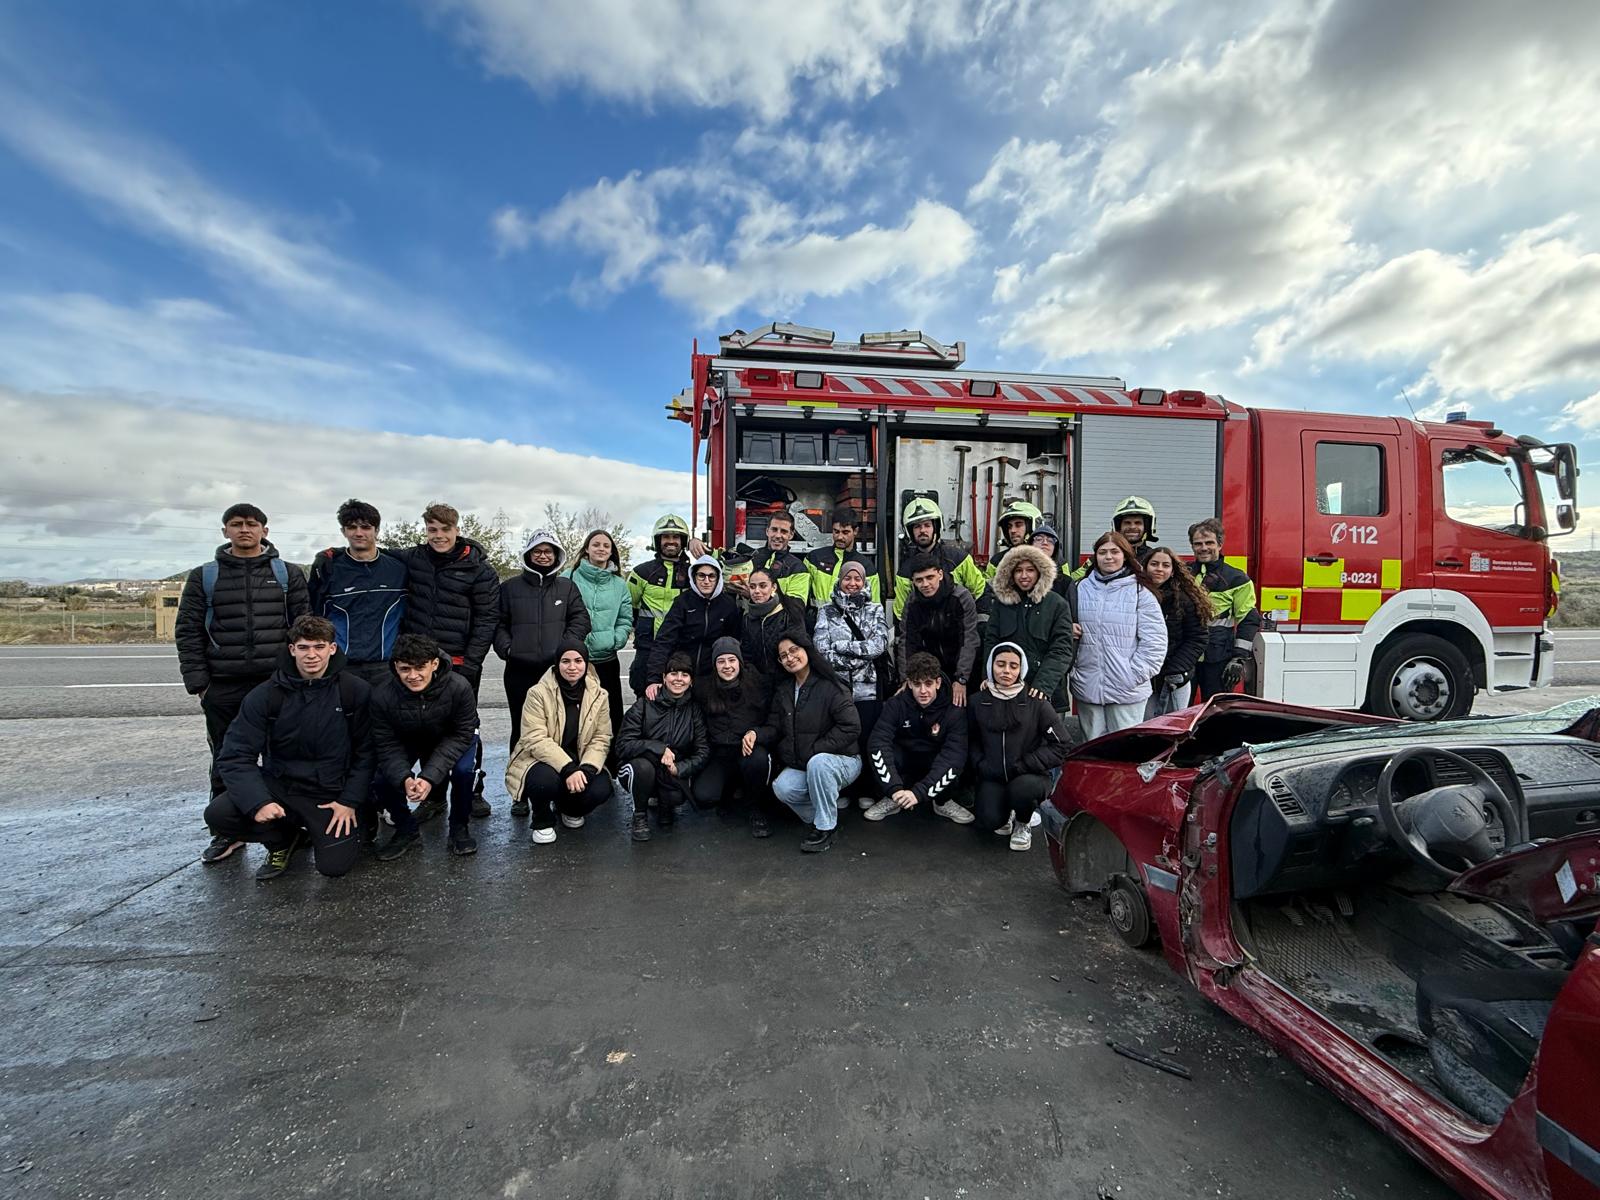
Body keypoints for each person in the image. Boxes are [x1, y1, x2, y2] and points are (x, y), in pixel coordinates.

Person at [176, 502, 310, 863]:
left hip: (277, 684)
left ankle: (287, 827)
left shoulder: (288, 574)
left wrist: (299, 679)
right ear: (225, 531)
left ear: (265, 530)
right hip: (224, 685)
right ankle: (228, 832)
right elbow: (188, 631)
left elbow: (304, 628)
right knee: (227, 758)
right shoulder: (205, 576)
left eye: (252, 524)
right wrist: (200, 684)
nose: (245, 530)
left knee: (285, 757)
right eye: (236, 524)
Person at [203, 616, 372, 881]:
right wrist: (258, 801)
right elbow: (236, 755)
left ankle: (347, 826)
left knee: (334, 867)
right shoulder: (266, 695)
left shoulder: (354, 691)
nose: (311, 655)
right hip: (280, 786)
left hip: (330, 792)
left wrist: (349, 801)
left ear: (332, 648)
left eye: (319, 646)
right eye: (303, 647)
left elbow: (368, 753)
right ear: (292, 649)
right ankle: (282, 840)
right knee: (219, 814)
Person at [398, 502, 500, 819]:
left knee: (466, 728)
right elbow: (372, 552)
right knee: (425, 729)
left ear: (457, 529)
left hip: (459, 663)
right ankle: (435, 796)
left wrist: (471, 663)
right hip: (419, 664)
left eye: (445, 529)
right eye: (432, 529)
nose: (439, 535)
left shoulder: (479, 570)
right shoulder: (412, 559)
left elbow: (487, 619)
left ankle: (473, 790)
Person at [369, 633, 481, 859]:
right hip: (408, 737)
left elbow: (462, 734)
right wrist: (405, 778)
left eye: (420, 667)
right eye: (405, 669)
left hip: (454, 737)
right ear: (396, 666)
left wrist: (428, 777)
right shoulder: (382, 694)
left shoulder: (459, 687)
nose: (413, 676)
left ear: (434, 664)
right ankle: (405, 828)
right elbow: (386, 743)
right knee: (381, 778)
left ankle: (459, 826)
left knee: (463, 772)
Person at [757, 632, 862, 854]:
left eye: (794, 650)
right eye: (783, 655)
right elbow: (774, 727)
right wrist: (754, 734)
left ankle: (826, 827)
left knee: (819, 763)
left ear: (807, 650)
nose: (790, 657)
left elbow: (851, 727)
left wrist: (815, 750)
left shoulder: (831, 686)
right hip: (807, 762)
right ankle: (822, 815)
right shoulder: (784, 690)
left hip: (844, 760)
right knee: (783, 787)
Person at [495, 529, 591, 768]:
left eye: (548, 551)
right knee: (521, 726)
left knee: (560, 725)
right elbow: (498, 624)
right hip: (519, 671)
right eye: (537, 551)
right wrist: (508, 649)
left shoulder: (566, 587)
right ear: (528, 554)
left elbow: (580, 620)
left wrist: (564, 651)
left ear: (556, 555)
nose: (543, 556)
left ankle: (560, 776)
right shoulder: (509, 588)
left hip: (556, 671)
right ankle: (519, 781)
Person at [504, 640, 615, 845]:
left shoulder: (600, 695)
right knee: (544, 782)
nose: (572, 667)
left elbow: (601, 737)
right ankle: (542, 818)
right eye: (566, 661)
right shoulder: (538, 693)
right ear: (557, 663)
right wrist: (568, 768)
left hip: (580, 757)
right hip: (541, 759)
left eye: (578, 661)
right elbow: (534, 738)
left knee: (601, 788)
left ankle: (569, 809)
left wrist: (587, 768)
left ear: (586, 663)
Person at [969, 642, 1071, 851]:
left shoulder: (1036, 702)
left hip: (1029, 776)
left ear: (1021, 669)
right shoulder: (977, 701)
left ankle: (1023, 822)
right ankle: (1006, 813)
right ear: (991, 666)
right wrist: (981, 764)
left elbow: (1062, 745)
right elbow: (969, 739)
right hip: (993, 775)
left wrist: (1026, 763)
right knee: (989, 820)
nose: (1006, 671)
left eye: (1013, 666)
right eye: (1000, 664)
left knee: (1022, 790)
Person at [1069, 531, 1168, 740]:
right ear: (1095, 557)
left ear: (1125, 555)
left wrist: (1132, 676)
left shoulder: (1140, 592)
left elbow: (1155, 643)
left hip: (1127, 690)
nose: (1108, 557)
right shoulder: (1080, 589)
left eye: (1115, 551)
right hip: (1088, 686)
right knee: (1091, 749)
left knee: (1125, 750)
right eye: (1102, 552)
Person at [306, 498, 408, 690]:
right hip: (341, 666)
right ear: (343, 531)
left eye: (366, 527)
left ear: (377, 530)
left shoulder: (398, 569)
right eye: (352, 527)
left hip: (386, 667)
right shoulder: (328, 568)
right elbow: (314, 615)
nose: (359, 533)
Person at [863, 651, 972, 825]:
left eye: (928, 684)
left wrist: (919, 793)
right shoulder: (896, 704)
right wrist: (893, 788)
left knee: (952, 762)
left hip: (934, 763)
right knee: (887, 751)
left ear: (937, 683)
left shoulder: (954, 710)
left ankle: (943, 802)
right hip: (904, 764)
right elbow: (878, 742)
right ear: (909, 684)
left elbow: (954, 756)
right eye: (917, 684)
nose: (923, 691)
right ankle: (893, 798)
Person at [813, 559, 891, 786]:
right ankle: (843, 788)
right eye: (847, 578)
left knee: (868, 738)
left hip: (868, 690)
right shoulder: (826, 611)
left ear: (864, 582)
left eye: (858, 579)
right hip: (837, 690)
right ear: (840, 580)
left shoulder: (875, 609)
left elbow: (879, 645)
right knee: (840, 740)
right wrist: (858, 658)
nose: (852, 583)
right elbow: (821, 650)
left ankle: (867, 788)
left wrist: (842, 646)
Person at [691, 637, 779, 837]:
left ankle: (755, 806)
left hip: (748, 751)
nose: (727, 666)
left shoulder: (758, 684)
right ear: (714, 665)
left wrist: (756, 733)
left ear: (740, 661)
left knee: (757, 761)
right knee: (704, 796)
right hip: (720, 753)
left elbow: (774, 725)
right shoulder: (703, 688)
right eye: (721, 661)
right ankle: (729, 790)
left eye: (732, 660)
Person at [617, 652, 710, 841]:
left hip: (670, 772)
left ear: (691, 681)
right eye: (673, 673)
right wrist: (658, 748)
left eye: (685, 675)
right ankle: (640, 814)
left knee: (676, 797)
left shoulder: (694, 710)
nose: (679, 679)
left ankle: (664, 804)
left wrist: (679, 768)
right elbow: (622, 745)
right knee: (643, 769)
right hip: (638, 769)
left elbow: (703, 751)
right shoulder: (644, 704)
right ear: (664, 677)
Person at [982, 543, 1077, 710]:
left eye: (1030, 570)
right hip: (1006, 690)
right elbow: (991, 642)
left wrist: (1043, 685)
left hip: (1046, 694)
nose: (1024, 576)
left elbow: (1062, 649)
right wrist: (988, 675)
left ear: (1040, 572)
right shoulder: (1002, 604)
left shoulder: (1057, 604)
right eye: (1018, 570)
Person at [565, 529, 633, 738]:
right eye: (596, 544)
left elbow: (625, 618)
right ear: (587, 548)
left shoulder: (619, 584)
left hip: (606, 659)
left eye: (606, 545)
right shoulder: (568, 577)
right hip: (575, 660)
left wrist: (616, 640)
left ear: (611, 552)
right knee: (574, 716)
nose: (601, 549)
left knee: (611, 715)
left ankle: (613, 756)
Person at [1188, 518, 1262, 700]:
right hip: (1185, 655)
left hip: (1218, 657)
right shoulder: (1183, 573)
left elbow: (1248, 619)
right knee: (1177, 711)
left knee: (1216, 708)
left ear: (1220, 544)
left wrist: (1238, 658)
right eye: (1198, 544)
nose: (1203, 548)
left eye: (1209, 543)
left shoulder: (1237, 579)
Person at [646, 555, 740, 695]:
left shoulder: (728, 605)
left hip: (713, 675)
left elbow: (735, 642)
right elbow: (664, 640)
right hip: (684, 672)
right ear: (694, 577)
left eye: (711, 576)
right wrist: (654, 678)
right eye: (701, 576)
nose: (706, 581)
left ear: (718, 578)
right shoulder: (682, 602)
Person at [627, 513, 694, 697]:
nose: (671, 541)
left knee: (683, 697)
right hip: (648, 646)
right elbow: (629, 607)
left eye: (676, 537)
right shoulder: (641, 572)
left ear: (683, 541)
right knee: (645, 694)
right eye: (666, 537)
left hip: (681, 647)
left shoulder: (692, 574)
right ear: (657, 540)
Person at [898, 553, 979, 703]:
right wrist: (906, 678)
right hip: (928, 671)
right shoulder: (912, 603)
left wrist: (961, 679)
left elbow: (969, 639)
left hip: (961, 666)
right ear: (913, 581)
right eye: (919, 580)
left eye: (930, 577)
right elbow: (907, 642)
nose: (925, 584)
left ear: (940, 574)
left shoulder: (961, 597)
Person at [1144, 547, 1212, 718]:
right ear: (1145, 567)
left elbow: (1198, 638)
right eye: (1154, 564)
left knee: (1173, 725)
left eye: (1165, 565)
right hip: (1144, 678)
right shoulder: (1135, 595)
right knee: (1145, 724)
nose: (1159, 569)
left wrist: (1176, 669)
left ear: (1173, 571)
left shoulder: (1184, 600)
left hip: (1175, 678)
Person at [892, 496, 986, 618]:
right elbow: (901, 615)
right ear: (909, 531)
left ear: (936, 527)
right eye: (917, 526)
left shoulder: (959, 559)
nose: (922, 530)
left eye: (927, 525)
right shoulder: (905, 572)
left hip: (959, 626)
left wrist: (981, 623)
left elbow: (981, 592)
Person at [739, 566, 807, 680]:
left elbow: (799, 652)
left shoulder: (788, 614)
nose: (756, 591)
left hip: (788, 679)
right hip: (759, 681)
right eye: (752, 587)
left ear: (774, 587)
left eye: (763, 586)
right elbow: (746, 655)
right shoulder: (747, 619)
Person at [1069, 496, 1161, 579]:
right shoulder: (1101, 556)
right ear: (1118, 527)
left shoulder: (1153, 558)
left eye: (1138, 523)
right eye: (1127, 523)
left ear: (1147, 527)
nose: (1132, 527)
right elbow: (1074, 579)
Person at [805, 506, 879, 604]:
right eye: (836, 531)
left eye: (845, 532)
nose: (840, 537)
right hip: (818, 614)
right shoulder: (814, 558)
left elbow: (874, 605)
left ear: (855, 531)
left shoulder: (866, 566)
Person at [985, 498, 1043, 579]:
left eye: (1018, 525)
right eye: (1009, 526)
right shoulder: (997, 561)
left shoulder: (1050, 559)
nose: (1012, 531)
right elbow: (986, 586)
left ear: (1033, 526)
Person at [1029, 521, 1075, 598]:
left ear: (1055, 548)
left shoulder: (1066, 583)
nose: (1045, 542)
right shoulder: (1021, 577)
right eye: (1039, 539)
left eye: (1050, 540)